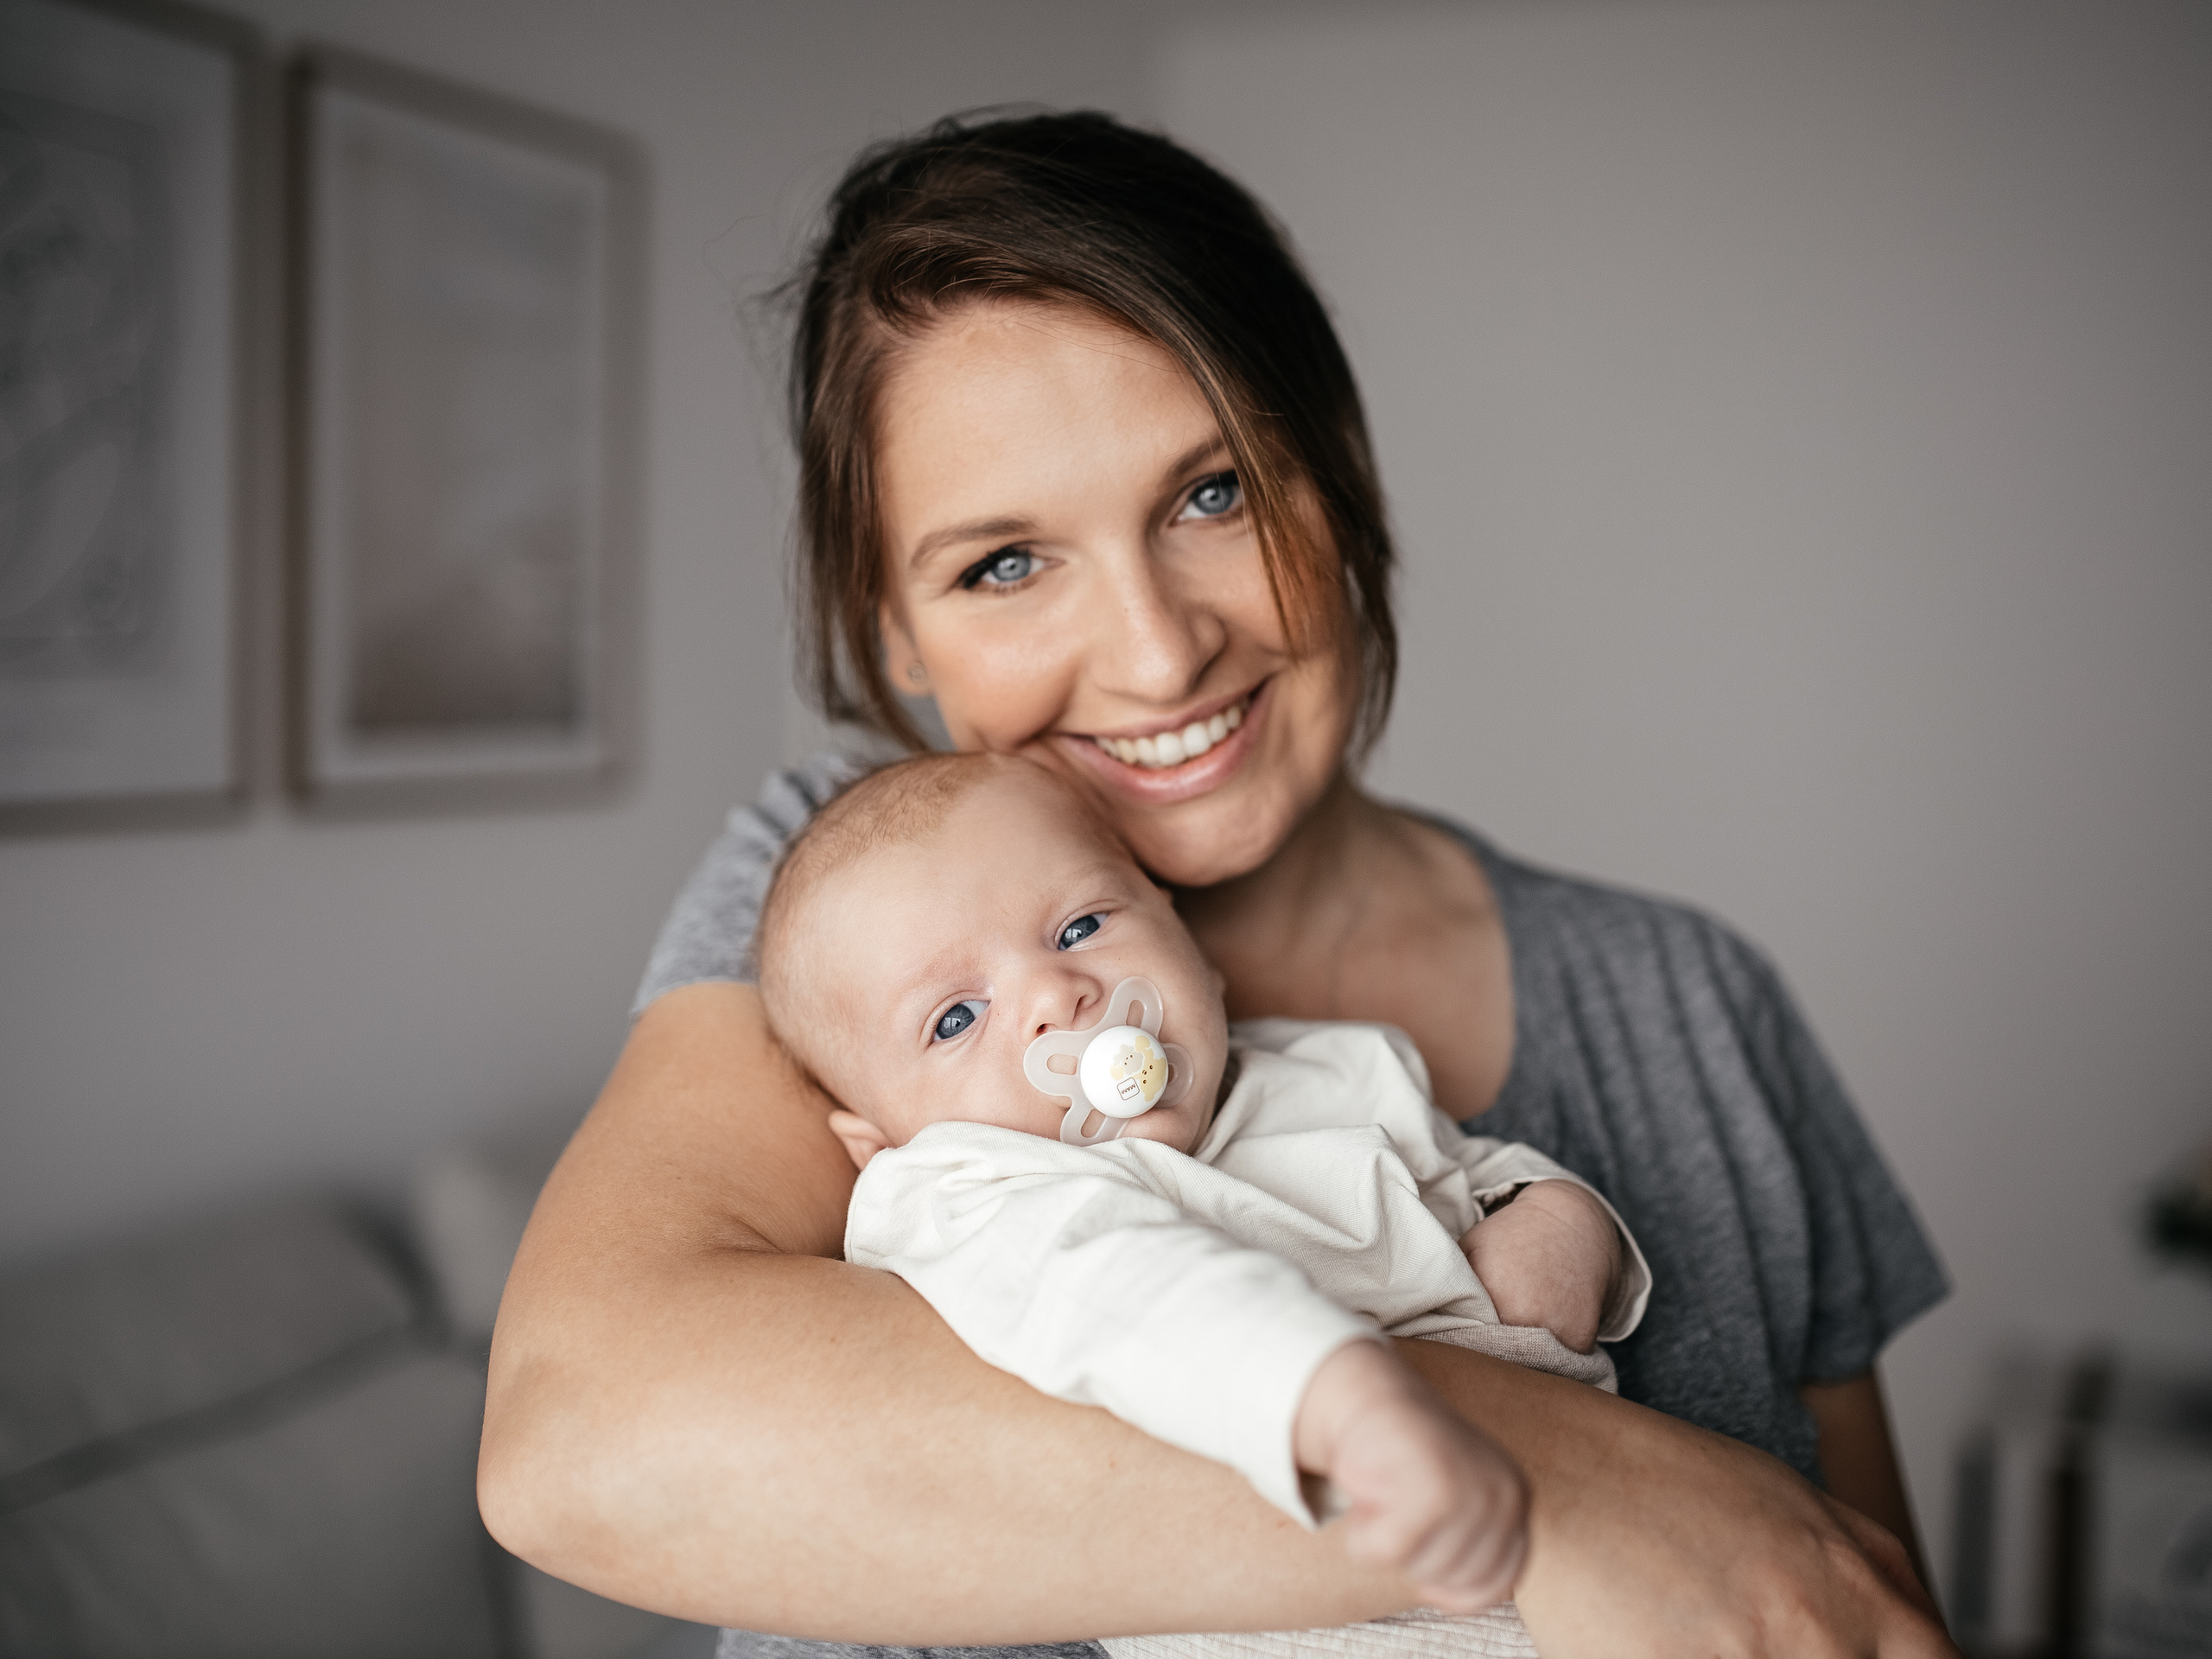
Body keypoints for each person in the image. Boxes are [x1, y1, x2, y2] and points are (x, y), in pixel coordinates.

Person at [480, 110, 1955, 1656]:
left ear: (1339, 475)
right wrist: (1559, 1481)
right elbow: (584, 1444)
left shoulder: (1688, 1002)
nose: (1157, 649)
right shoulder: (839, 922)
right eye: (1003, 562)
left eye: (1213, 493)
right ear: (895, 629)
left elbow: (1853, 1602)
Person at [752, 749, 1655, 1653]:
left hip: (1602, 1543)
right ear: (882, 1144)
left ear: (1190, 948)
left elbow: (1473, 1166)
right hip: (1338, 1586)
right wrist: (1348, 1404)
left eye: (1080, 927)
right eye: (956, 1018)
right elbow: (1126, 1291)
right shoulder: (968, 1186)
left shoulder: (1334, 1069)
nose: (1056, 995)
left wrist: (1553, 1217)